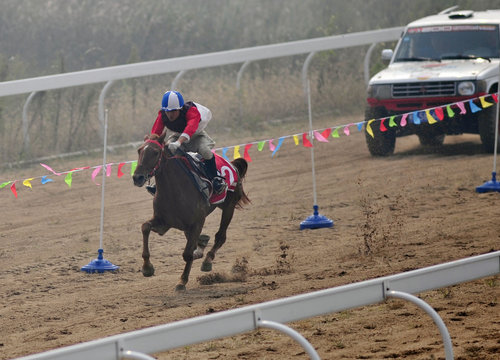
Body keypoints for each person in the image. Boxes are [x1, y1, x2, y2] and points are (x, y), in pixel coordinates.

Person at [146, 90, 226, 196]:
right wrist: (150, 142)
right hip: (177, 136)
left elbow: (190, 128)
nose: (170, 115)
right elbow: (156, 132)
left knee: (205, 151)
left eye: (173, 111)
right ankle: (158, 185)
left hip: (196, 136)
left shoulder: (192, 111)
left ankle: (216, 180)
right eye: (168, 111)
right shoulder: (162, 114)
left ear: (180, 108)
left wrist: (179, 143)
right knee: (166, 153)